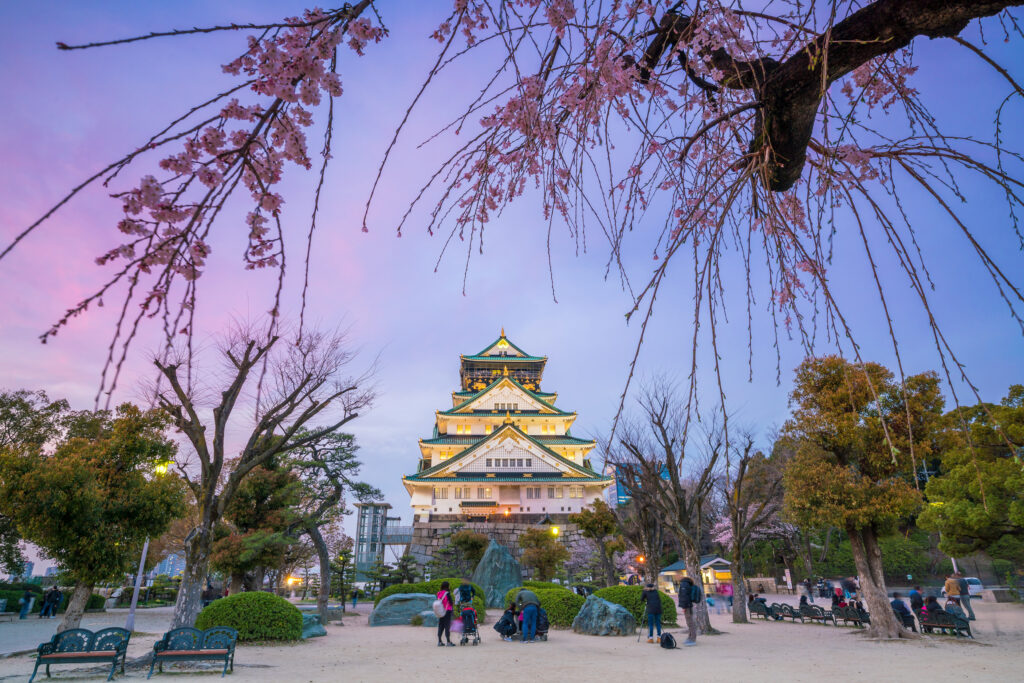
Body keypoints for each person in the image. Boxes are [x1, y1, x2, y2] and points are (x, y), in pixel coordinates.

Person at [677, 576, 698, 646]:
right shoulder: (689, 584)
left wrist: (684, 606)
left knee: (689, 622)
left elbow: (684, 596)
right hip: (689, 604)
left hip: (686, 606)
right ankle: (690, 637)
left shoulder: (683, 585)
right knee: (690, 621)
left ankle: (692, 638)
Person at [436, 581, 455, 647]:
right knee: (447, 626)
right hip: (447, 611)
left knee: (441, 625)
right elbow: (451, 603)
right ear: (447, 586)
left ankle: (439, 641)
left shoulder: (438, 593)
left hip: (440, 611)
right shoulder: (447, 593)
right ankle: (448, 642)